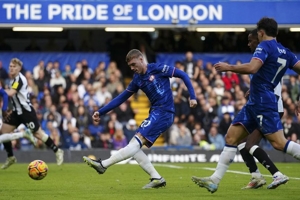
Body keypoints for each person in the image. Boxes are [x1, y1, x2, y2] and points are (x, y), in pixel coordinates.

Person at [191, 17, 300, 193]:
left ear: (261, 33)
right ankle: (215, 180)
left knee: (279, 143)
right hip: (256, 100)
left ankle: (267, 174)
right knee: (231, 137)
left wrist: (229, 67)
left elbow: (252, 68)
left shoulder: (264, 46)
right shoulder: (287, 53)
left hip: (264, 101)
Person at [83, 49, 197, 189]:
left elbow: (183, 74)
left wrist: (192, 96)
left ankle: (103, 165)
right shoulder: (137, 79)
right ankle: (156, 178)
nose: (132, 68)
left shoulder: (158, 68)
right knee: (134, 146)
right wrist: (101, 112)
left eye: (133, 64)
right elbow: (121, 98)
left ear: (141, 59)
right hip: (156, 112)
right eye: (130, 66)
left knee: (135, 143)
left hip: (165, 112)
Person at [237, 29, 287, 189]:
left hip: (269, 108)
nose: (249, 44)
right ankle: (256, 176)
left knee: (251, 144)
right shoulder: (260, 59)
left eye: (251, 40)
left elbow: (272, 86)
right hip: (263, 106)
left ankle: (277, 175)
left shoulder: (265, 59)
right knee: (240, 142)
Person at [1, 58, 64, 169]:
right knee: (3, 131)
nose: (11, 68)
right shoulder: (12, 80)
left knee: (38, 134)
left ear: (19, 68)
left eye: (14, 66)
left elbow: (10, 93)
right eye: (10, 66)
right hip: (16, 112)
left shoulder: (19, 79)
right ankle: (11, 157)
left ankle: (57, 150)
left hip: (26, 112)